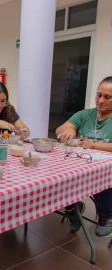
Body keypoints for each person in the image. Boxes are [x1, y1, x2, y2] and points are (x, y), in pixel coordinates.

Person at [56, 76, 112, 237]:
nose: (100, 100)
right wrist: (69, 130)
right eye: (98, 95)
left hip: (104, 170)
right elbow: (63, 128)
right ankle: (73, 208)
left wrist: (94, 145)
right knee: (61, 175)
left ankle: (107, 216)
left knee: (104, 177)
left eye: (107, 97)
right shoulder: (85, 114)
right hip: (79, 166)